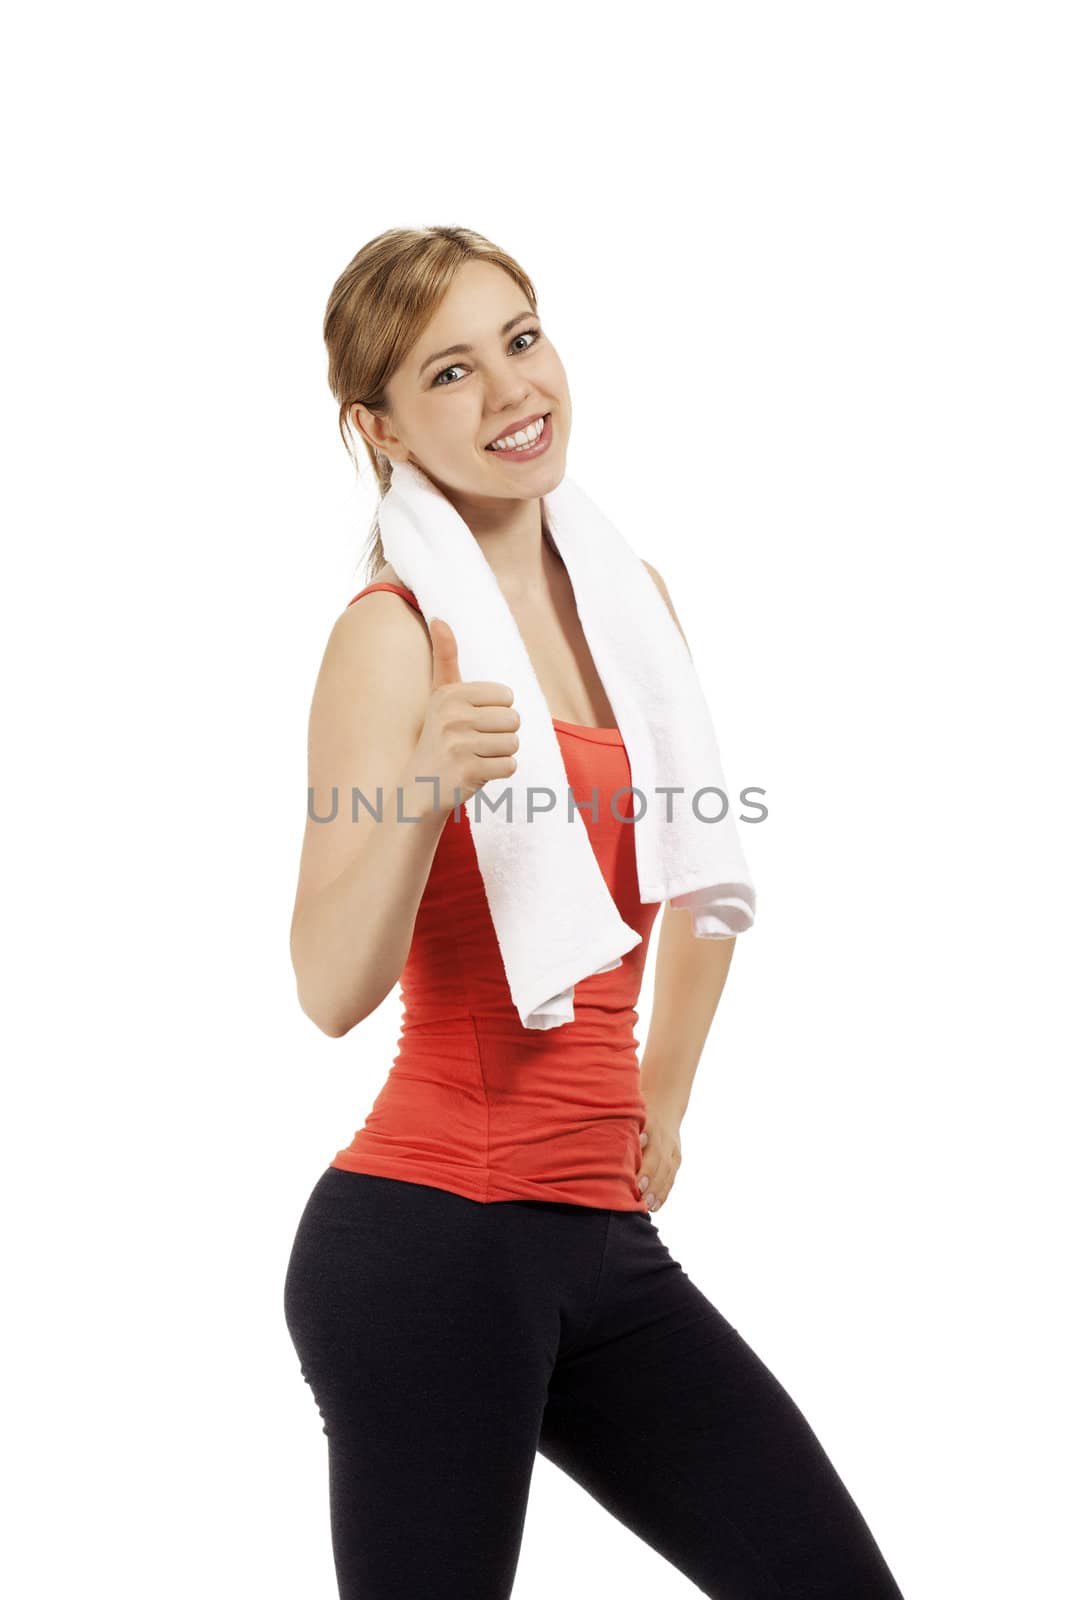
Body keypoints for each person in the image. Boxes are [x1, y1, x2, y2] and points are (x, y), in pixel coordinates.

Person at [283, 225, 906, 1599]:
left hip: (602, 1249)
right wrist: (425, 792)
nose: (513, 392)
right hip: (428, 1240)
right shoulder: (390, 637)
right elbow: (327, 984)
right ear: (376, 425)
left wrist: (661, 1102)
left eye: (521, 338)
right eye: (449, 372)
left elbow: (699, 877)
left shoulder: (630, 605)